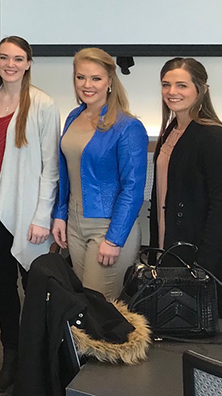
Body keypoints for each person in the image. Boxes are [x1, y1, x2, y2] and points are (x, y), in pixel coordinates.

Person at [0, 37, 60, 394]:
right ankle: (11, 357)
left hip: (26, 214)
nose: (10, 63)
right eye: (4, 57)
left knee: (32, 287)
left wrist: (42, 216)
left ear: (28, 63)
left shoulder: (42, 104)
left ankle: (35, 363)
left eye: (18, 58)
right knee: (2, 286)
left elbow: (50, 168)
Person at [52, 48, 147, 301]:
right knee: (82, 304)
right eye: (80, 77)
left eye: (96, 78)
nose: (87, 85)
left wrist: (114, 239)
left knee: (99, 309)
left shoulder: (128, 127)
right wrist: (60, 215)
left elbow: (133, 189)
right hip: (74, 224)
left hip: (107, 227)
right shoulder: (74, 116)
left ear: (110, 82)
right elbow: (67, 172)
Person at [151, 57, 222, 309]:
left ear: (200, 89)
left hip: (201, 262)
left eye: (181, 85)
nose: (172, 92)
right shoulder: (171, 131)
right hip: (171, 253)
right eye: (166, 85)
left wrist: (202, 267)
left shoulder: (215, 138)